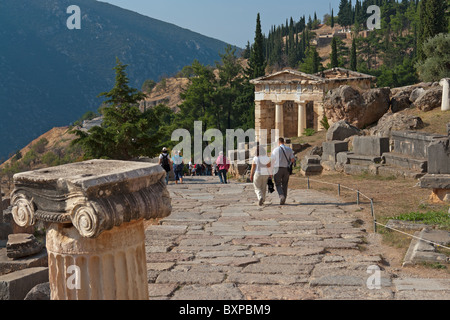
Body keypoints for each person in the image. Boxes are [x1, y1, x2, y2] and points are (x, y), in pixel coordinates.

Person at [271, 138, 295, 205]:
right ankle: (284, 199)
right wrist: (289, 163)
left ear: (278, 142)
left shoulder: (275, 150)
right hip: (286, 169)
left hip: (277, 169)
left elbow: (272, 160)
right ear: (283, 142)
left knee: (278, 183)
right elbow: (292, 159)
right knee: (285, 184)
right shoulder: (289, 149)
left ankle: (281, 196)